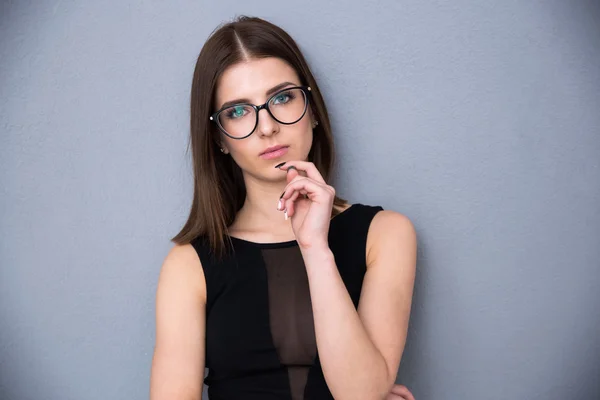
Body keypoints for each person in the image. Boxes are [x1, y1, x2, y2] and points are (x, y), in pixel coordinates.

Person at [149, 16, 417, 400]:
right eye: (238, 111)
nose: (267, 127)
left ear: (311, 108)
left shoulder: (386, 233)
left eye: (282, 97)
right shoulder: (189, 265)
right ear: (220, 140)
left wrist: (315, 250)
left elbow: (360, 394)